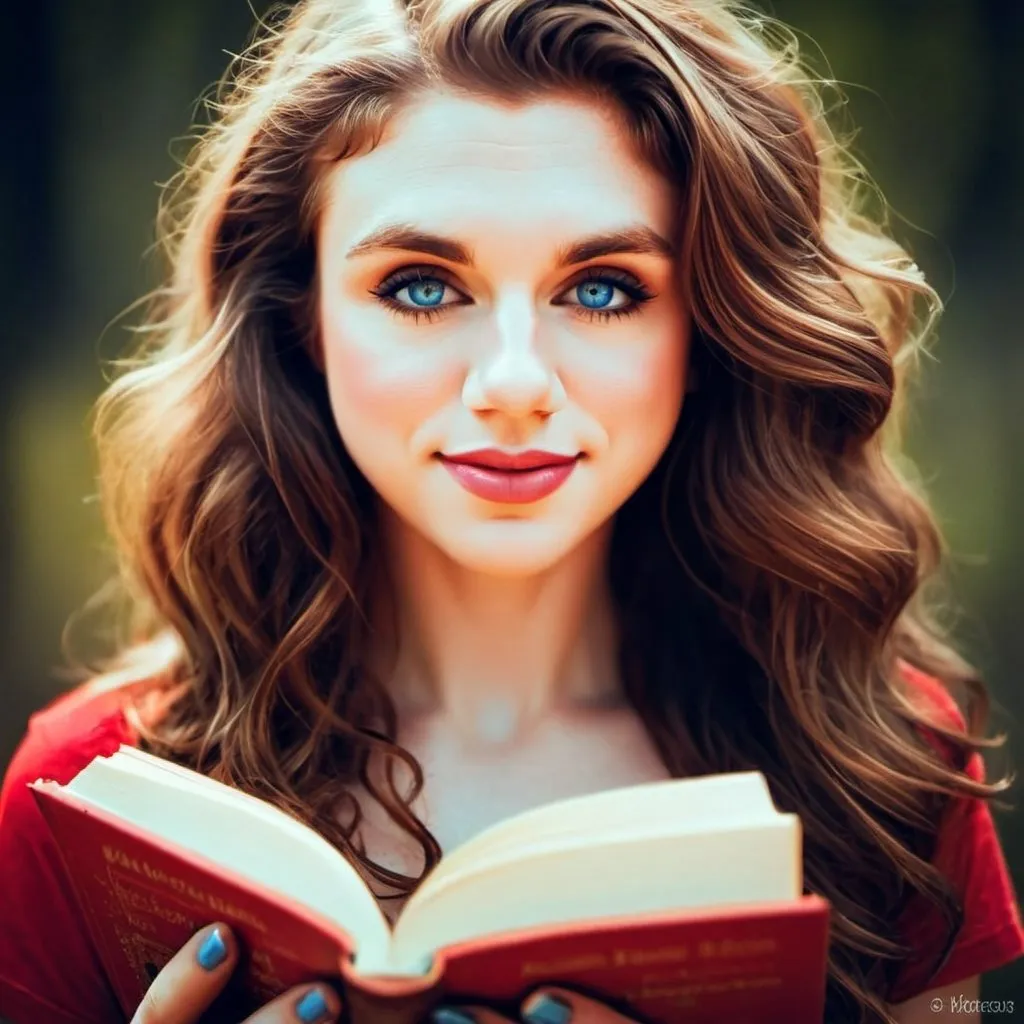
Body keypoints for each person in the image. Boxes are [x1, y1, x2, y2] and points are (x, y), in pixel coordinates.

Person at [1, 0, 1021, 1021]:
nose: (514, 381)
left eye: (604, 289)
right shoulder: (83, 795)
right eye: (420, 287)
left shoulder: (881, 768)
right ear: (298, 318)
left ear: (707, 327)